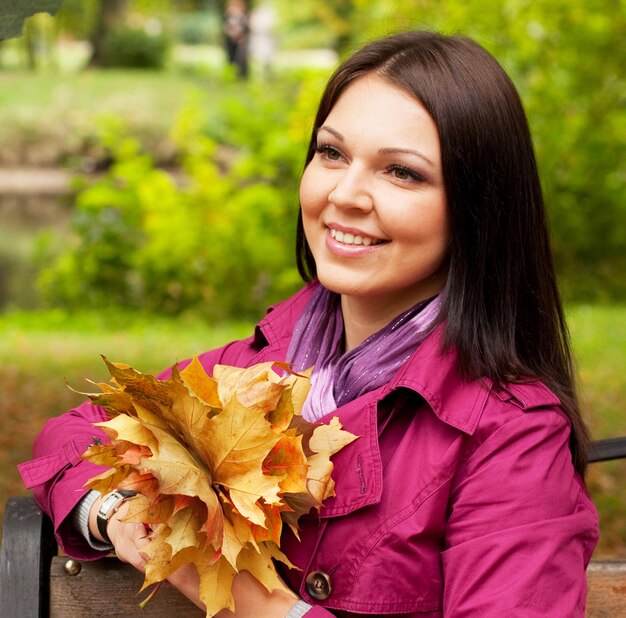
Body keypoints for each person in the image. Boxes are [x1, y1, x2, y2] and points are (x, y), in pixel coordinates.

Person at [19, 30, 599, 616]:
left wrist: (264, 606)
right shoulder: (261, 363)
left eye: (401, 172)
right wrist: (115, 510)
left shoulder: (511, 435)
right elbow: (76, 432)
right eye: (332, 153)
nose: (345, 194)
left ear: (478, 209)